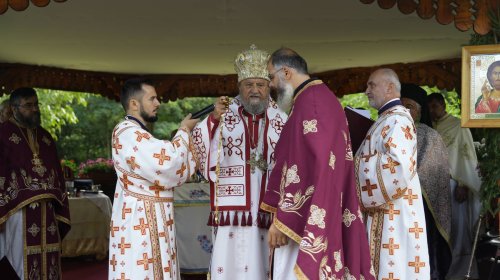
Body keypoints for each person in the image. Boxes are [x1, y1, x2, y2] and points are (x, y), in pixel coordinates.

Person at [260, 47, 374, 280]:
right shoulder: (317, 98)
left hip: (306, 221)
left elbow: (315, 167)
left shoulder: (310, 104)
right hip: (318, 210)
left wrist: (283, 220)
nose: (271, 85)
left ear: (286, 72)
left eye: (271, 77)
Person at [192, 44, 288, 279]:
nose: (255, 90)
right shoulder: (223, 113)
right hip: (232, 212)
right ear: (239, 87)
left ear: (269, 87)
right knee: (228, 262)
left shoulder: (283, 119)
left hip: (269, 208)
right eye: (249, 85)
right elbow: (199, 143)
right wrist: (213, 120)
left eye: (260, 84)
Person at [108, 78, 199, 280]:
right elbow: (167, 163)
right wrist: (184, 130)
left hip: (153, 217)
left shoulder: (138, 133)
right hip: (140, 220)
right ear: (134, 104)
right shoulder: (127, 133)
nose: (158, 103)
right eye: (152, 98)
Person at [355, 69, 430, 279]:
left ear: (389, 87)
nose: (366, 90)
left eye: (372, 85)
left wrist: (354, 164)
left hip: (392, 214)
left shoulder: (397, 120)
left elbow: (396, 167)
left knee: (393, 268)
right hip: (385, 209)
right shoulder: (386, 119)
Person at [0, 87, 71, 280]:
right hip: (17, 211)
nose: (35, 109)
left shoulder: (46, 137)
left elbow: (56, 173)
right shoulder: (3, 134)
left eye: (36, 104)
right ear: (14, 108)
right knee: (18, 259)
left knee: (50, 258)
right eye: (28, 105)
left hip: (48, 211)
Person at [427, 92, 482, 280]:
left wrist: (463, 184)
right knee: (440, 230)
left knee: (458, 229)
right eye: (429, 107)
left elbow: (467, 158)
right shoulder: (430, 128)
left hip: (454, 185)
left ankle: (462, 272)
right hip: (434, 188)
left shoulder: (459, 126)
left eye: (435, 106)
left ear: (443, 105)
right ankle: (443, 269)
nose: (432, 111)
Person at [401, 83, 452, 279]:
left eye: (410, 107)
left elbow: (435, 175)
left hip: (423, 208)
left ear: (421, 111)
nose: (404, 111)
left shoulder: (431, 136)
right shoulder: (387, 130)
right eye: (401, 106)